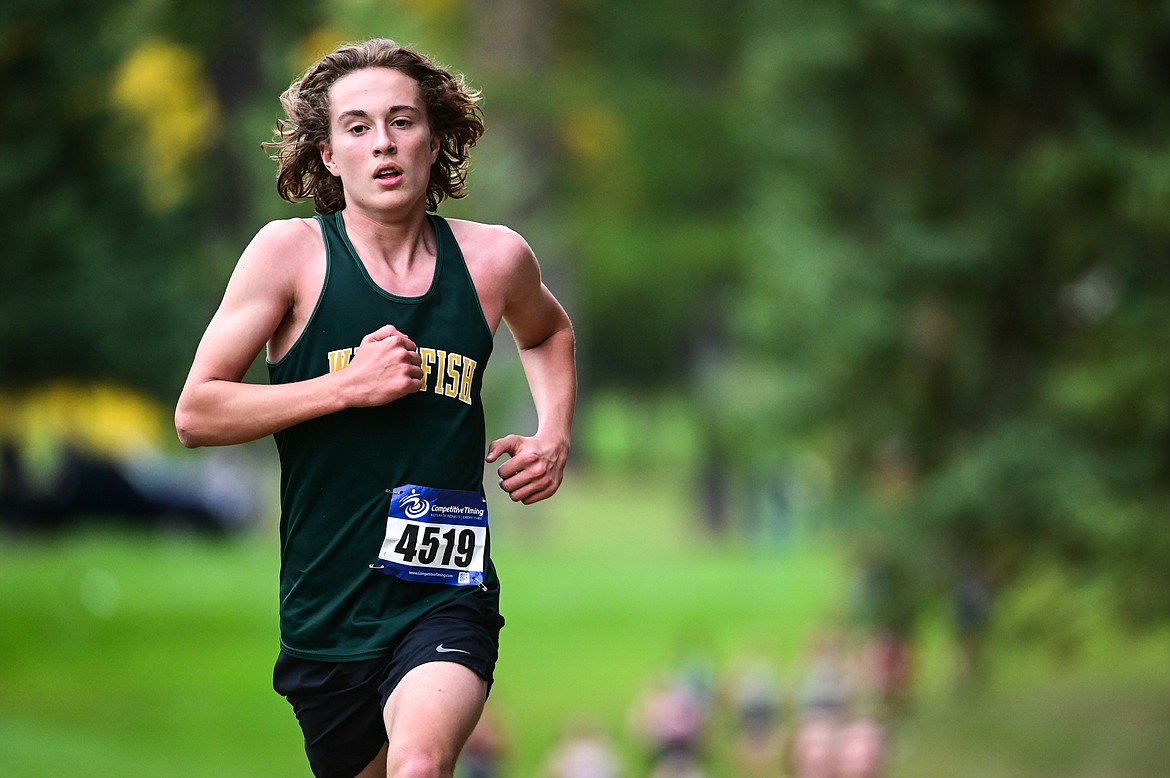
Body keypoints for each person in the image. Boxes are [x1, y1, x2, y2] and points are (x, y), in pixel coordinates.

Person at [174, 38, 576, 778]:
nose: (383, 143)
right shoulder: (288, 256)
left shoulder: (493, 261)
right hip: (326, 614)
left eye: (402, 121)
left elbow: (548, 330)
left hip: (446, 595)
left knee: (419, 763)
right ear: (328, 155)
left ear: (435, 139)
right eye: (357, 127)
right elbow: (197, 413)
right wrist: (344, 387)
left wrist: (553, 432)